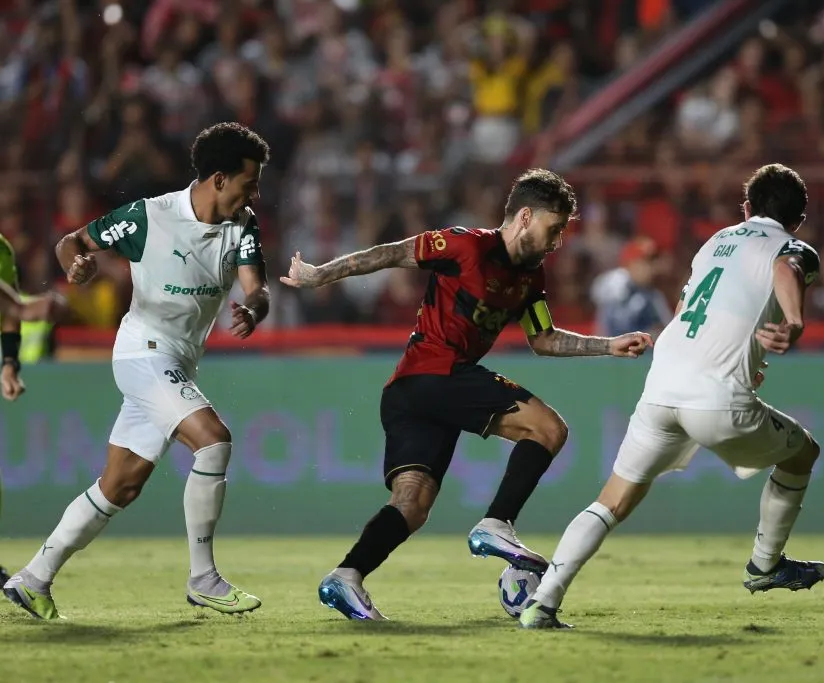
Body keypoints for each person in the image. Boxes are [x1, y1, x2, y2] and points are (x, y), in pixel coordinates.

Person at [280, 168, 652, 621]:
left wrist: (607, 346)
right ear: (525, 217)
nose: (557, 242)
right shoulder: (466, 244)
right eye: (553, 229)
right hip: (434, 374)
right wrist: (321, 275)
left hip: (416, 391)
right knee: (549, 428)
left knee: (412, 505)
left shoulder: (530, 277)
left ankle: (347, 575)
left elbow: (544, 339)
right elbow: (391, 254)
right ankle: (497, 523)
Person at [519, 163, 824, 629]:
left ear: (746, 208)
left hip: (661, 388)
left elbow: (687, 313)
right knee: (804, 452)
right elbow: (786, 267)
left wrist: (743, 359)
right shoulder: (792, 246)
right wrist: (795, 321)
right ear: (798, 220)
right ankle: (766, 565)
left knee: (610, 501)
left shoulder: (715, 243)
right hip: (717, 401)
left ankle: (542, 602)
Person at [3, 122, 272, 620]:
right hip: (143, 351)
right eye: (248, 182)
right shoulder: (150, 217)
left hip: (179, 360)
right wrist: (76, 266)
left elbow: (258, 288)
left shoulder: (242, 225)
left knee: (120, 484)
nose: (254, 192)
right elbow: (73, 242)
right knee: (214, 440)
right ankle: (203, 578)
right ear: (218, 178)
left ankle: (33, 577)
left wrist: (253, 309)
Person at [0, 234, 66, 587]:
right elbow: (17, 309)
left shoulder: (3, 250)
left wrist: (10, 363)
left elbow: (9, 314)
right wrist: (26, 308)